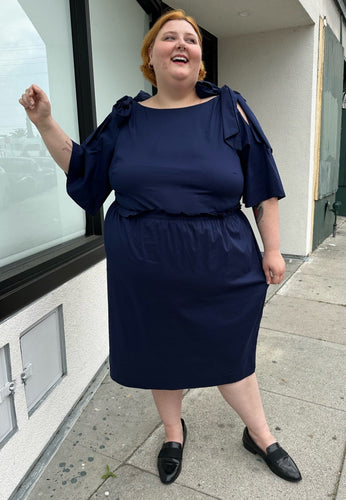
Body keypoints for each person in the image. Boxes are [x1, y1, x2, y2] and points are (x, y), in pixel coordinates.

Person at [19, 9, 301, 486]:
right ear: (150, 55)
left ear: (199, 59)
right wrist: (46, 123)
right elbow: (84, 170)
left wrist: (272, 250)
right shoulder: (126, 118)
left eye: (189, 39)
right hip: (144, 265)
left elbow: (263, 185)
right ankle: (173, 432)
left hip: (220, 260)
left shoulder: (230, 108)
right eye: (168, 37)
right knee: (159, 352)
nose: (181, 44)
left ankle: (261, 435)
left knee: (230, 352)